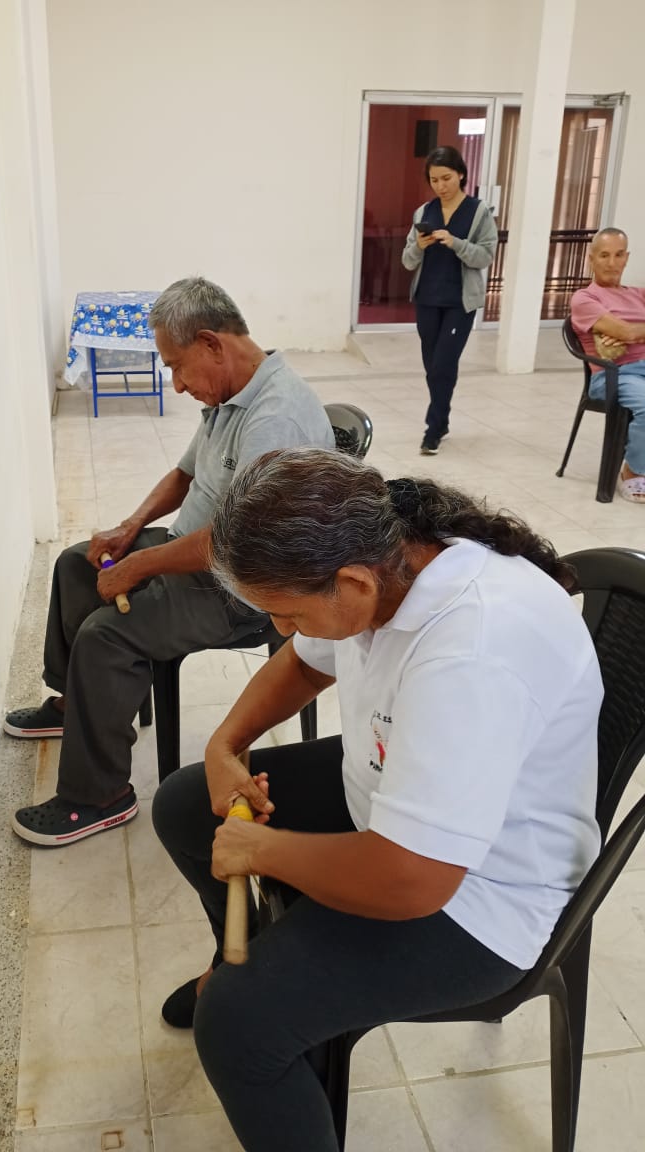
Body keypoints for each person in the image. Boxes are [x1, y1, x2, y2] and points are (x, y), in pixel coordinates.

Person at [152, 447, 601, 1152]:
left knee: (238, 1025)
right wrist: (224, 746)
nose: (281, 629)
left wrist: (264, 850)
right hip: (394, 799)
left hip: (479, 897)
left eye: (287, 613)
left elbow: (412, 880)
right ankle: (238, 951)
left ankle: (252, 987)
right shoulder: (388, 556)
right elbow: (304, 665)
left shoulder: (471, 650)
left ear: (352, 583)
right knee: (185, 805)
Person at [4, 277, 334, 847]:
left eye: (177, 366)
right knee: (77, 565)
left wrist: (142, 566)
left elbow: (237, 539)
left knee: (108, 634)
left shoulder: (276, 416)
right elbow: (184, 474)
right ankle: (75, 705)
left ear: (211, 343)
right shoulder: (230, 394)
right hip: (198, 550)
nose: (177, 384)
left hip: (242, 588)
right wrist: (130, 530)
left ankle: (99, 797)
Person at [401, 145, 498, 455]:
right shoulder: (423, 212)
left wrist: (455, 242)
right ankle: (441, 422)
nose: (441, 186)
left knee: (444, 363)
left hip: (459, 303)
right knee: (433, 367)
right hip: (427, 299)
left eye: (446, 178)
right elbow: (407, 261)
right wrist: (419, 245)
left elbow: (485, 256)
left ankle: (433, 429)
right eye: (434, 180)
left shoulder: (479, 212)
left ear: (461, 175)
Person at [570, 227, 645, 503]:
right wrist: (629, 332)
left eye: (618, 255)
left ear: (627, 258)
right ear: (591, 259)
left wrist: (634, 332)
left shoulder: (639, 294)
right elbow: (627, 333)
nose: (612, 263)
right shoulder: (585, 298)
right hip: (614, 375)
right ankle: (633, 470)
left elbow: (630, 333)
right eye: (604, 255)